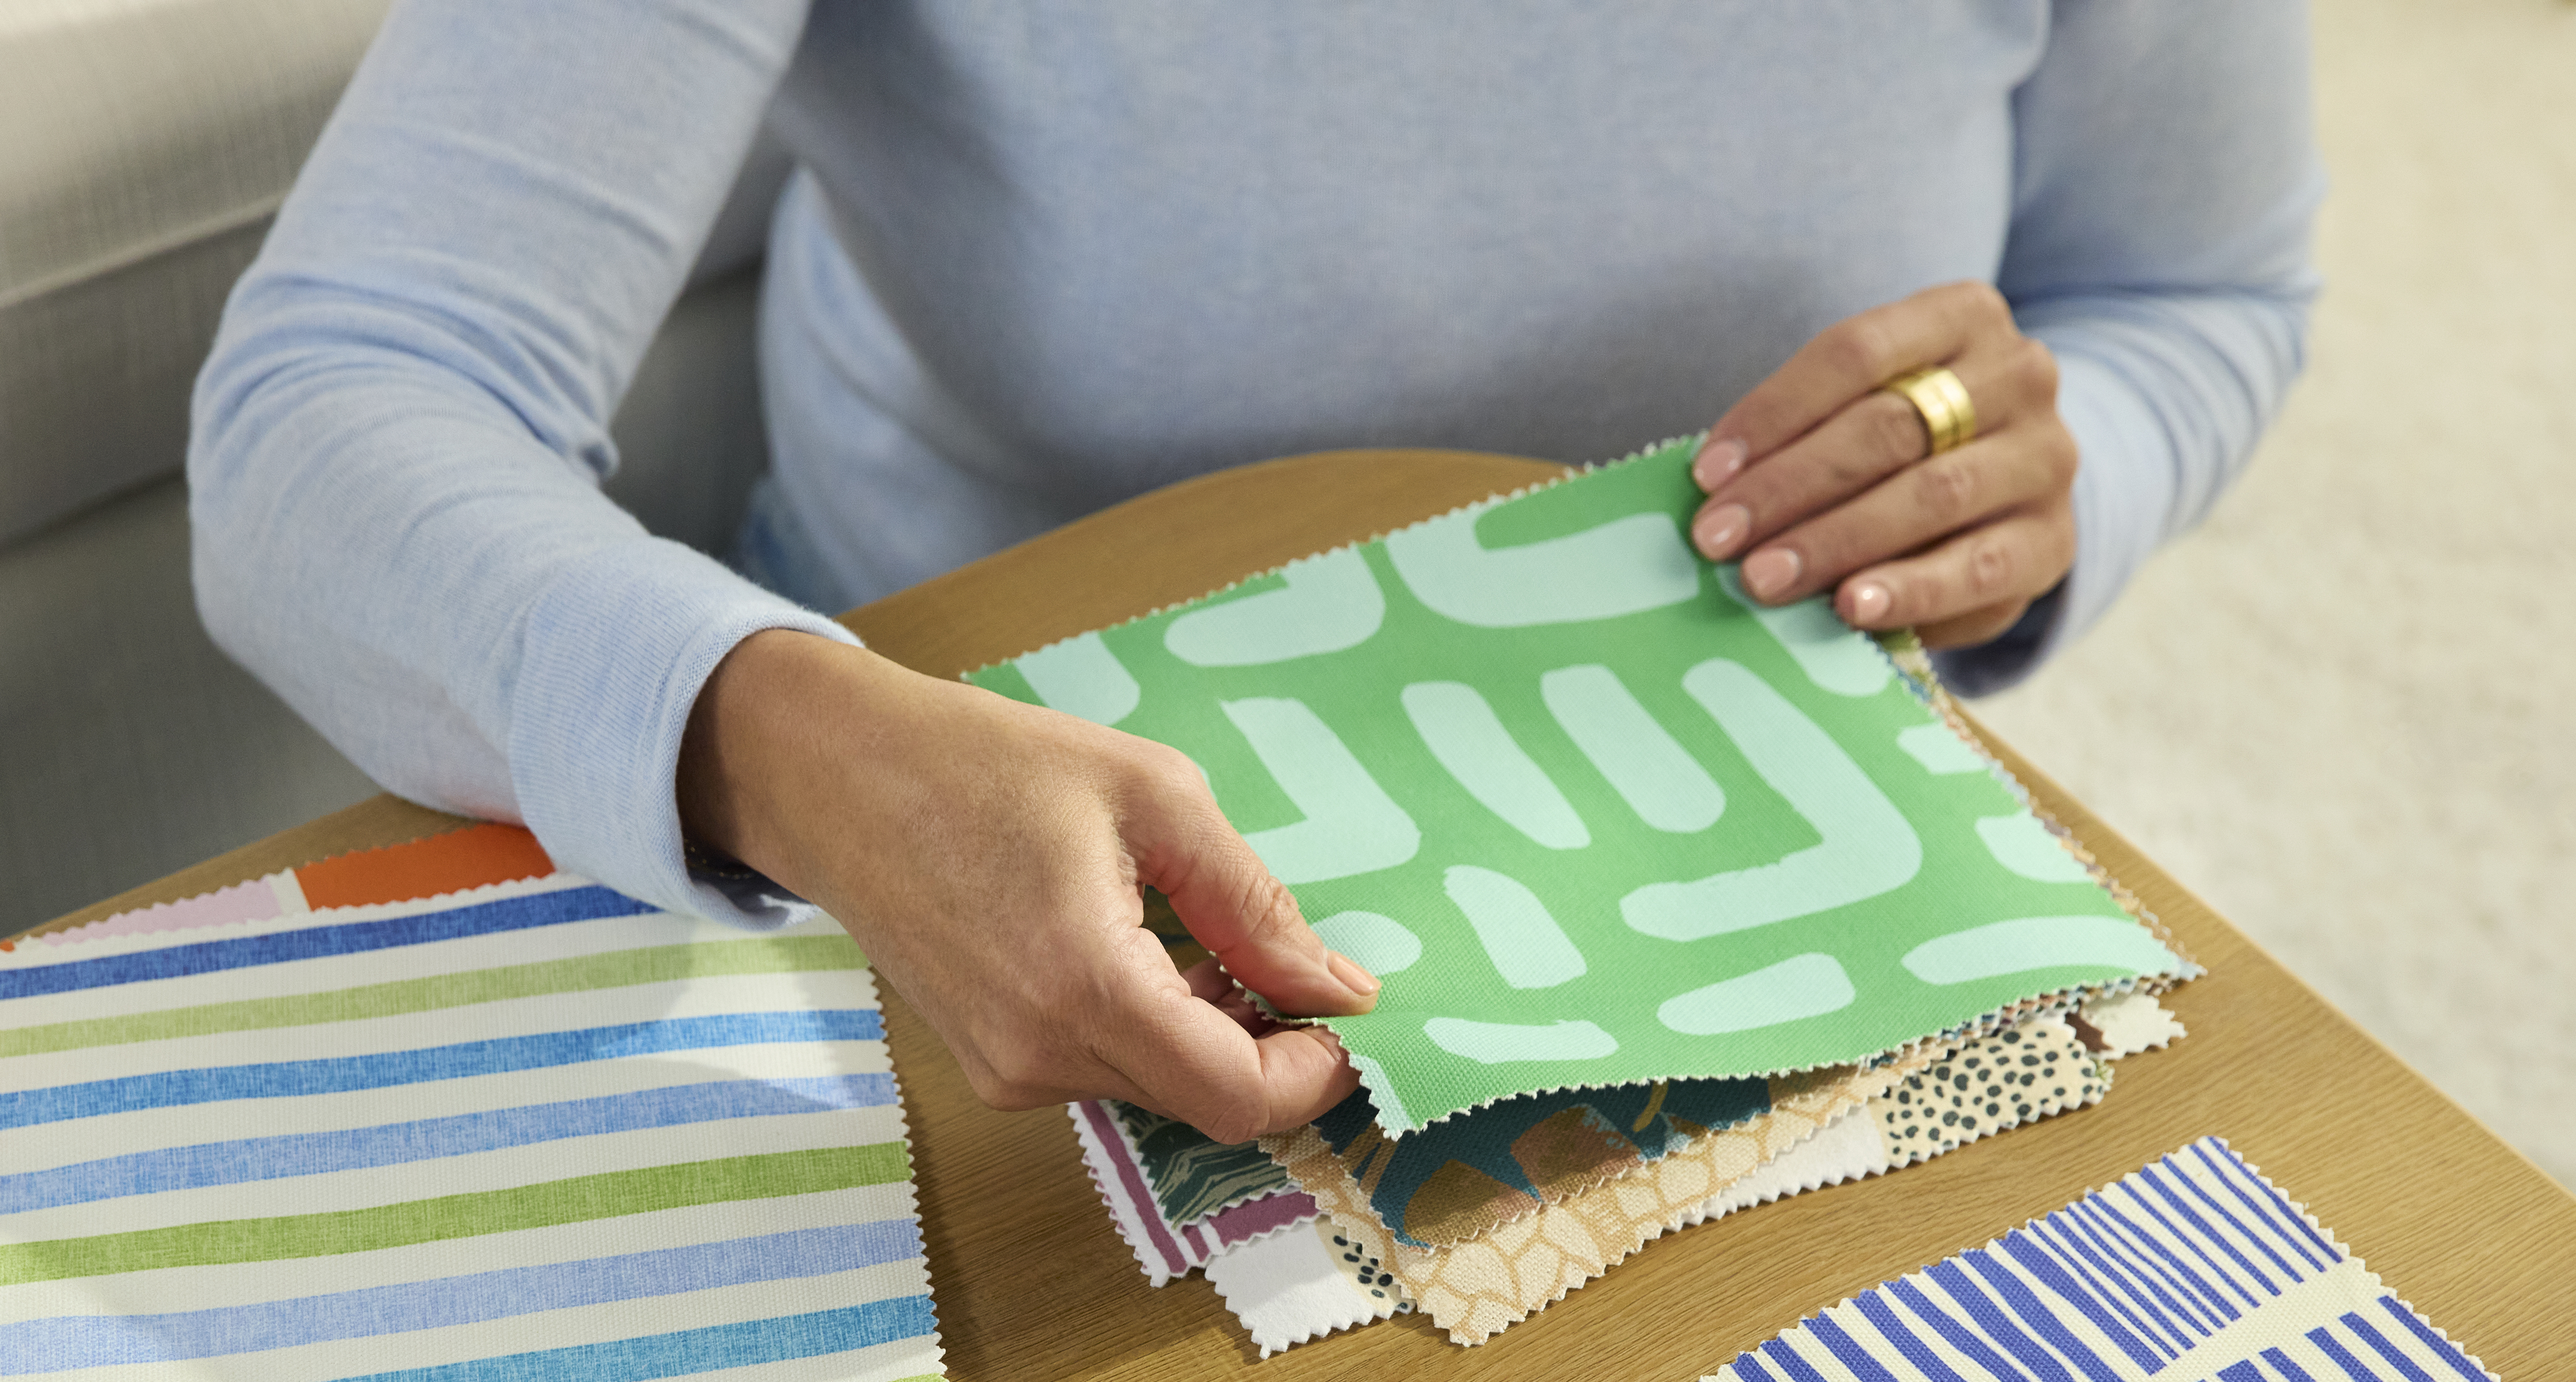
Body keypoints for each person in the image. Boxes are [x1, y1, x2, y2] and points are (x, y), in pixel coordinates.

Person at [190, 3, 2319, 1143]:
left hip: (1790, 892)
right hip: (932, 885)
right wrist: (795, 754)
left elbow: (2192, 287)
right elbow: (328, 415)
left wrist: (2048, 475)